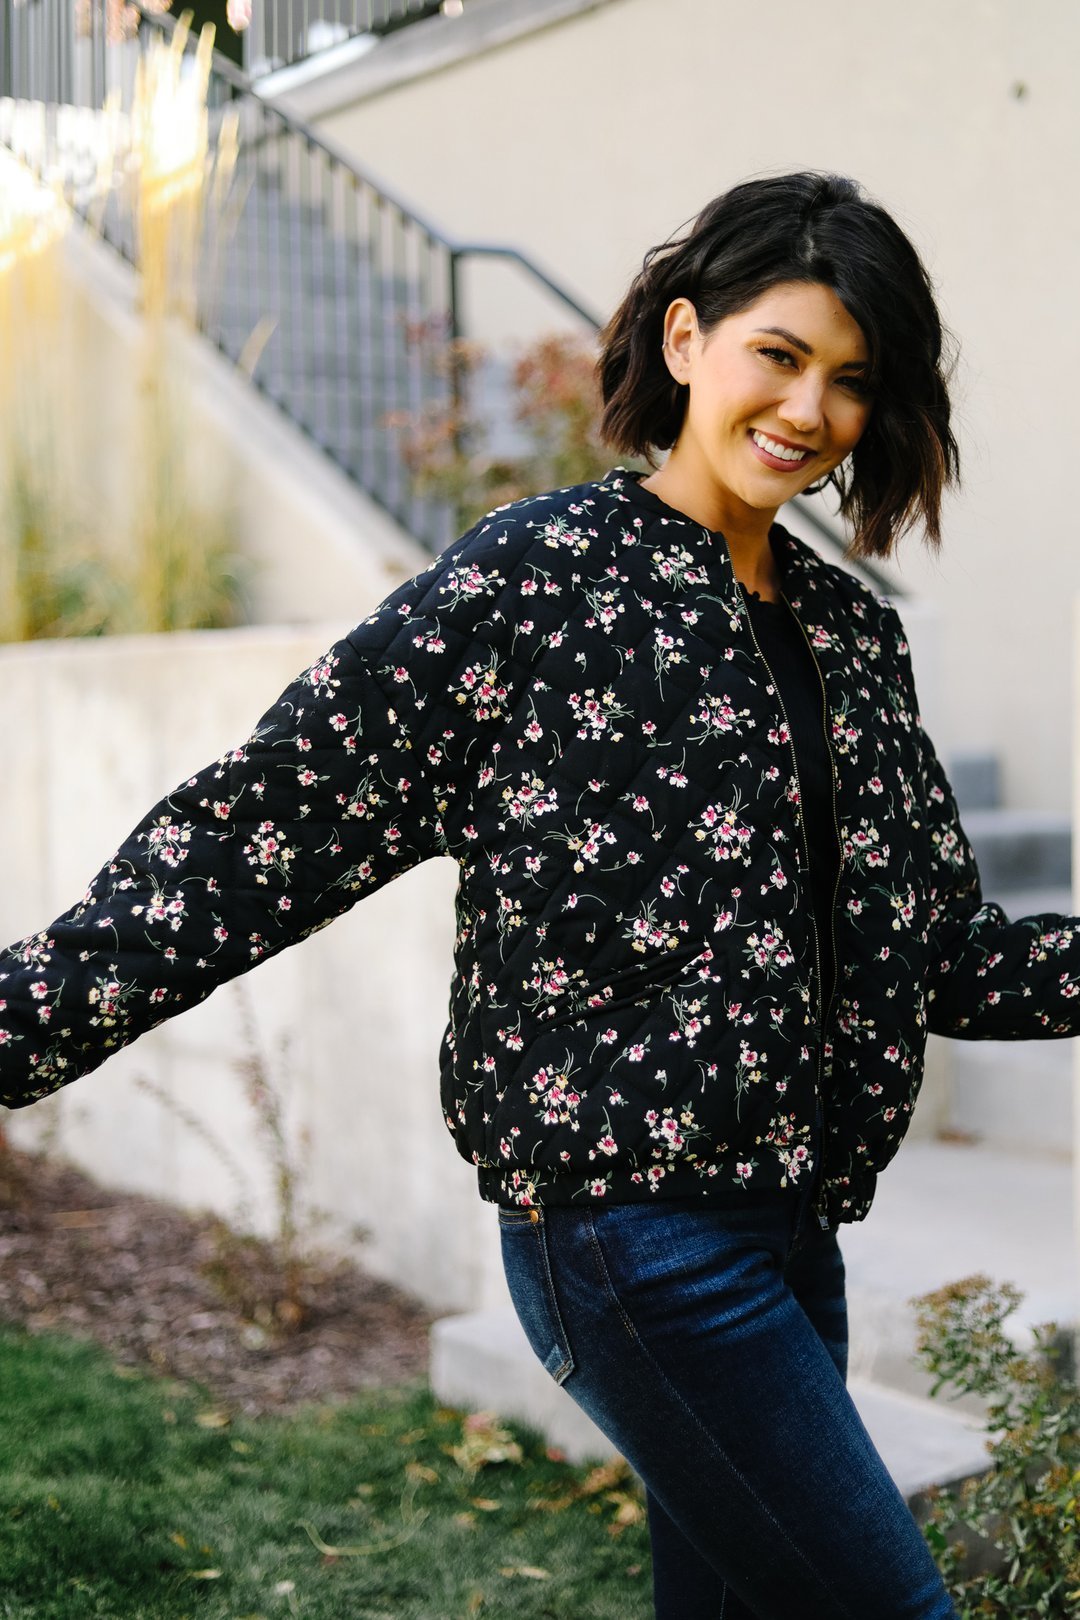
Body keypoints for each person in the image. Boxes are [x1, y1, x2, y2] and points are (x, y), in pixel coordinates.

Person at [1, 171, 1071, 1618]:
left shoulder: (851, 635)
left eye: (851, 380)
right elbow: (264, 825)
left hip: (792, 1230)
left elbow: (941, 954)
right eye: (778, 354)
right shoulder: (540, 584)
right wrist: (23, 1019)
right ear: (685, 339)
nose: (809, 410)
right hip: (631, 1239)